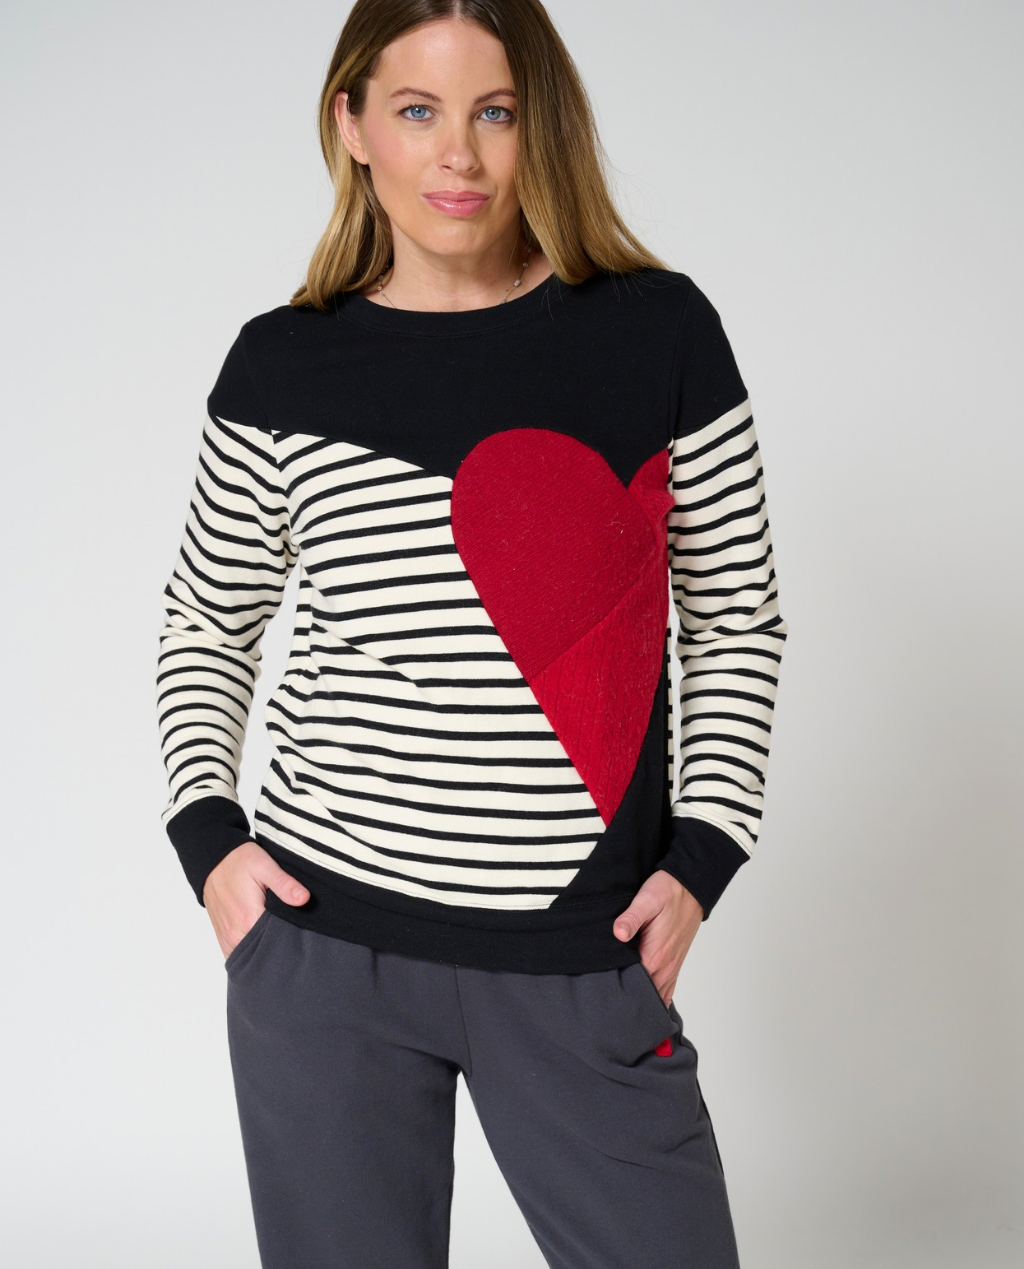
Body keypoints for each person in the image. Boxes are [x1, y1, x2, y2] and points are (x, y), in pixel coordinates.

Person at [155, 2, 789, 1265]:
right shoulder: (281, 368)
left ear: (537, 123)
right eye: (418, 111)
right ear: (351, 126)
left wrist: (704, 854)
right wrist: (210, 843)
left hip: (580, 952)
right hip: (324, 952)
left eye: (494, 111)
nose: (459, 154)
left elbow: (734, 616)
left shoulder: (657, 334)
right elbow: (208, 619)